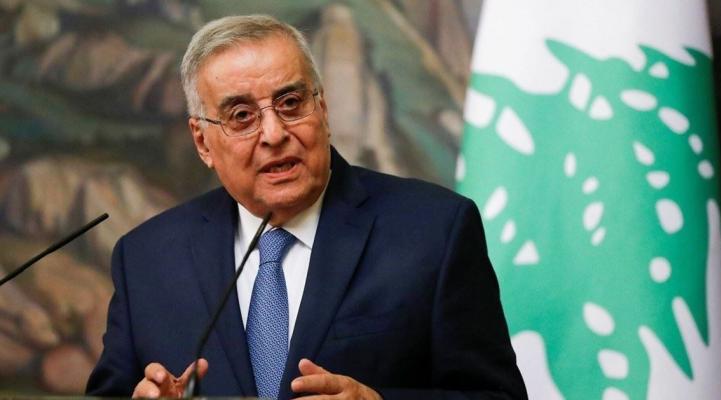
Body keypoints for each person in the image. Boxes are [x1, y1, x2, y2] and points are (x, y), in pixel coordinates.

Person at [86, 15, 527, 400]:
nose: (274, 133)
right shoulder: (146, 258)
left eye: (291, 104)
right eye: (242, 116)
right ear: (202, 141)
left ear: (323, 110)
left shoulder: (433, 230)